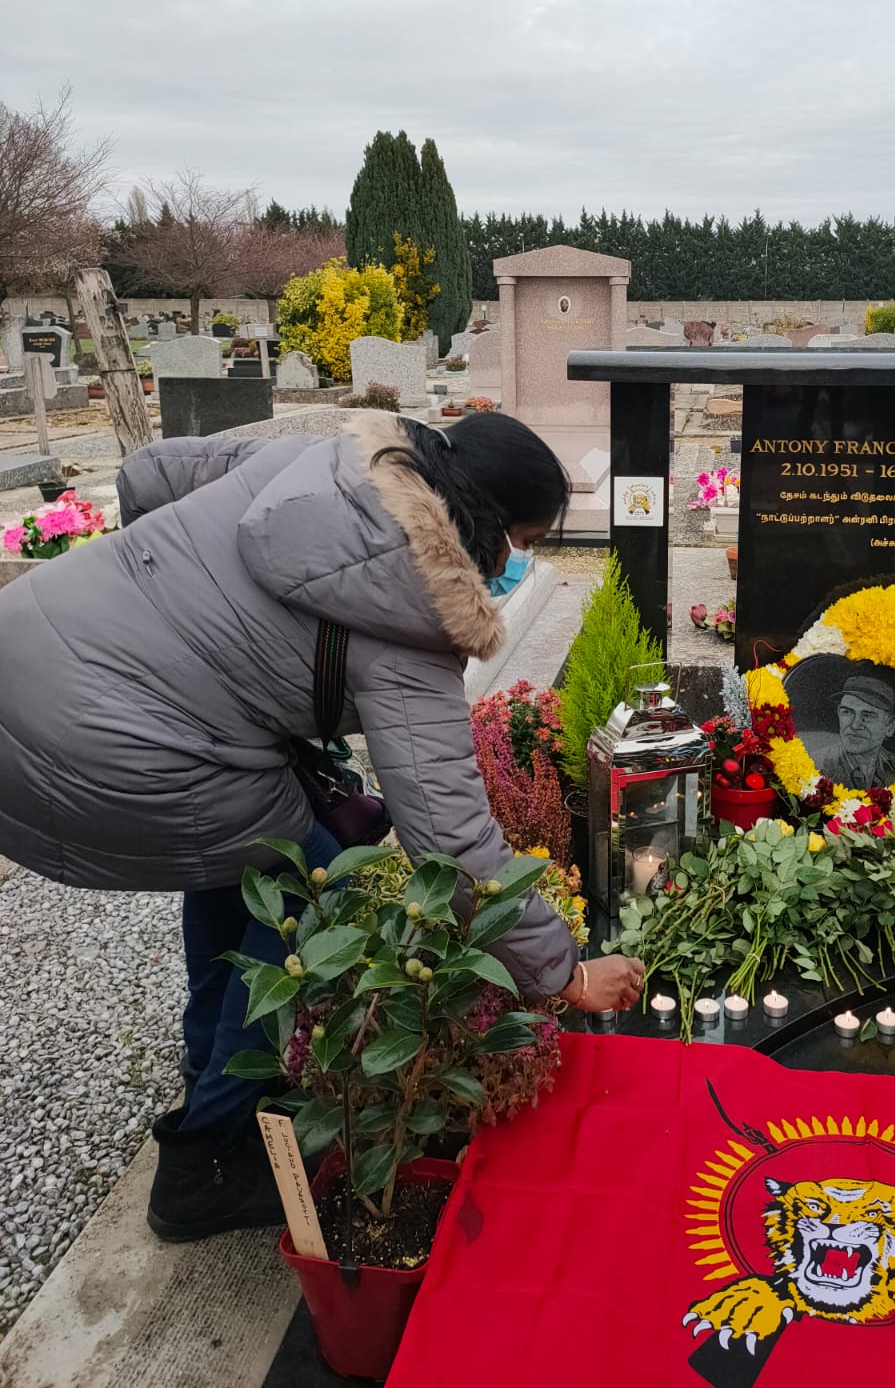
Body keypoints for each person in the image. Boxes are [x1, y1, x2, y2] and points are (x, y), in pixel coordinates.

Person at [0, 410, 643, 1241]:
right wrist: (566, 975)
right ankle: (205, 1162)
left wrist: (170, 605)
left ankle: (215, 1062)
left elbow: (150, 472)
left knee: (241, 862)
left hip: (31, 636)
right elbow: (450, 841)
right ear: (484, 522)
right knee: (311, 881)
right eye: (520, 541)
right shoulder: (412, 613)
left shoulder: (330, 460)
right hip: (109, 738)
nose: (513, 564)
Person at [815, 673, 895, 788]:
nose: (855, 725)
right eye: (847, 712)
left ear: (890, 726)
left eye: (868, 716)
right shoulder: (814, 765)